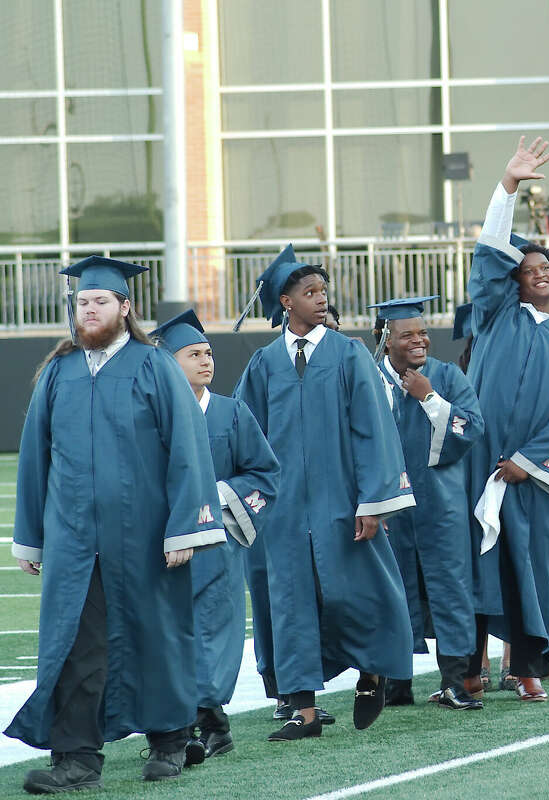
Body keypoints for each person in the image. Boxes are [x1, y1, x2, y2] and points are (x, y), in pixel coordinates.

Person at [7, 257, 226, 791]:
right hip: (75, 542)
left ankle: (172, 741)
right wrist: (31, 538)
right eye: (82, 302)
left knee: (157, 638)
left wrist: (184, 529)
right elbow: (35, 458)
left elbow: (188, 453)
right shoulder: (58, 372)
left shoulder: (154, 367)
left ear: (125, 308)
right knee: (75, 647)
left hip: (148, 538)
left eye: (100, 301)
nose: (89, 309)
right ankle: (77, 759)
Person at [235, 245, 416, 740]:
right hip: (285, 510)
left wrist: (373, 501)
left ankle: (372, 674)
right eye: (309, 292)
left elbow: (373, 429)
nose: (321, 299)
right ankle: (304, 711)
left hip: (344, 501)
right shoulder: (264, 364)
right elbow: (245, 437)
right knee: (291, 602)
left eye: (323, 292)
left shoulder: (348, 354)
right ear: (285, 302)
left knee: (357, 592)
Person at [462, 137, 549, 703]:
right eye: (529, 268)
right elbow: (490, 248)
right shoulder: (495, 317)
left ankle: (527, 667)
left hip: (533, 471)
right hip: (480, 460)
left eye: (547, 267)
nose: (540, 273)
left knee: (531, 566)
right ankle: (468, 668)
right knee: (474, 563)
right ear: (512, 281)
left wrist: (528, 460)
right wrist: (508, 186)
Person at [151, 309, 281, 763]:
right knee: (169, 635)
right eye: (193, 354)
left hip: (217, 544)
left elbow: (264, 473)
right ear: (169, 363)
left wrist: (218, 497)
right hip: (165, 546)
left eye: (208, 353)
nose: (206, 361)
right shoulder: (153, 416)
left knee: (211, 633)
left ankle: (202, 725)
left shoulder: (230, 411)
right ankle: (191, 726)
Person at [370, 295, 486, 709]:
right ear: (386, 338)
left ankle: (456, 681)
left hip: (441, 503)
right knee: (392, 589)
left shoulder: (447, 377)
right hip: (389, 507)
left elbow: (472, 428)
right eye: (407, 335)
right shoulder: (369, 380)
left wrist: (429, 397)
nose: (419, 341)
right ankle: (396, 683)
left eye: (423, 333)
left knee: (451, 588)